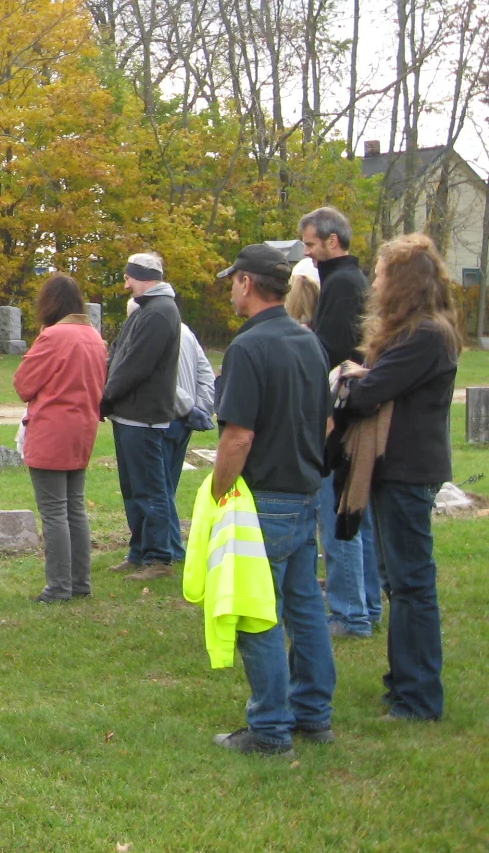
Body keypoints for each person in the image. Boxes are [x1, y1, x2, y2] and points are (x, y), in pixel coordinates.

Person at [210, 244, 336, 755]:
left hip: (264, 498)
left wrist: (219, 493)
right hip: (306, 492)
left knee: (257, 612)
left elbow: (238, 435)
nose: (231, 290)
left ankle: (270, 729)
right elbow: (327, 421)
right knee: (304, 607)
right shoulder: (308, 341)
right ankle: (314, 713)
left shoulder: (248, 347)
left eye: (233, 280)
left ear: (247, 282)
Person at [336, 234, 458, 721]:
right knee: (398, 581)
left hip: (407, 469)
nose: (376, 281)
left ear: (403, 282)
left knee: (410, 584)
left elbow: (369, 391)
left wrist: (353, 378)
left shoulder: (426, 334)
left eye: (383, 273)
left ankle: (419, 696)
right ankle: (405, 684)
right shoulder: (416, 332)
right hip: (397, 468)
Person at [300, 205, 381, 640]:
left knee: (339, 517)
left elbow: (329, 352)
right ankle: (366, 605)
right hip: (349, 412)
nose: (309, 254)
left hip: (339, 415)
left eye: (312, 244)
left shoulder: (344, 284)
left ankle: (350, 614)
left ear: (333, 241)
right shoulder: (347, 281)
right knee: (353, 514)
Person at [13, 274, 106, 602]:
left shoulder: (53, 336)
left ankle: (58, 587)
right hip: (83, 429)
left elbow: (24, 384)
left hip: (52, 430)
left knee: (53, 511)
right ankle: (80, 582)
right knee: (74, 508)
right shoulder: (94, 336)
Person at [101, 252, 184, 579]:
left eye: (129, 276)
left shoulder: (161, 312)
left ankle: (159, 558)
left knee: (151, 490)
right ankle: (139, 552)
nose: (126, 283)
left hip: (144, 415)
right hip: (129, 414)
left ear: (144, 276)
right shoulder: (146, 310)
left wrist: (105, 397)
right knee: (134, 489)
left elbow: (135, 365)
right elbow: (119, 353)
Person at [159, 320, 216, 563]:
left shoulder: (158, 330)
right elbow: (205, 371)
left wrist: (191, 408)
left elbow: (163, 378)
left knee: (160, 489)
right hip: (186, 419)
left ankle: (173, 547)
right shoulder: (186, 330)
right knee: (168, 487)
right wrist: (202, 407)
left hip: (167, 416)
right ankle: (171, 544)